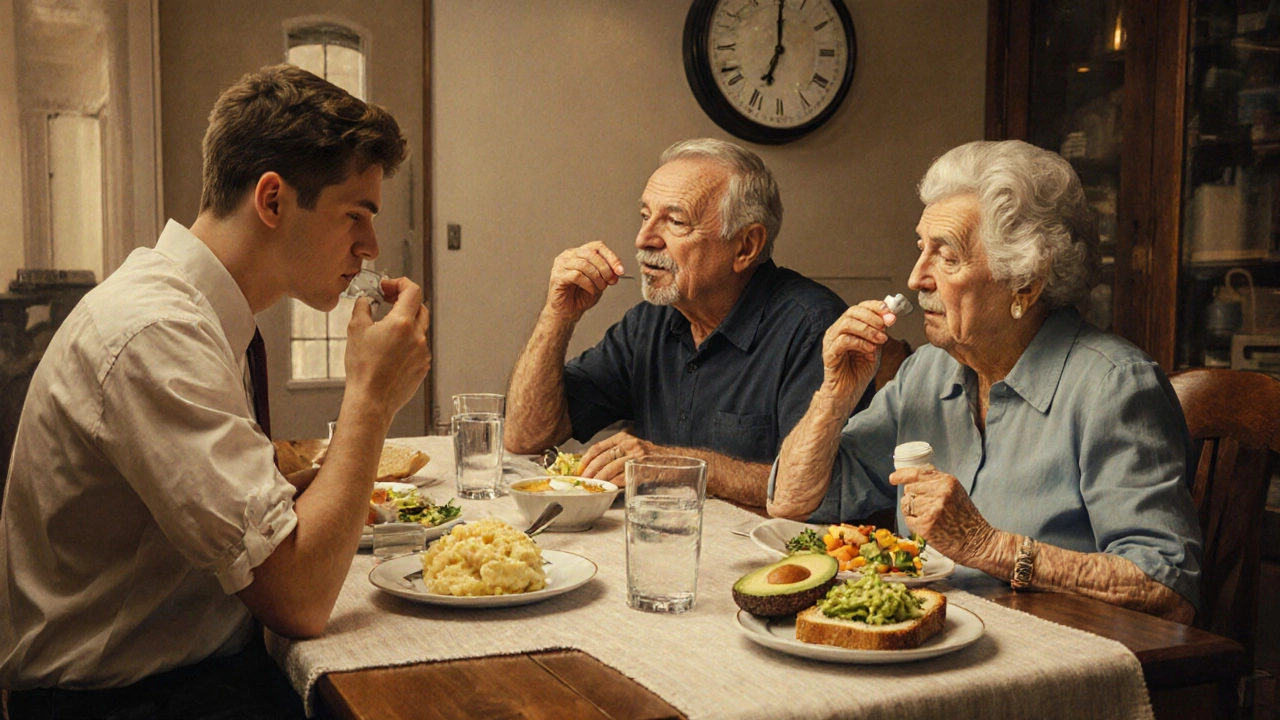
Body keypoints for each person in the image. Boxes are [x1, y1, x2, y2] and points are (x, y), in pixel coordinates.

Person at [0, 65, 431, 718]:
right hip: (128, 701)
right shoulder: (153, 331)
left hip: (192, 672)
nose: (370, 248)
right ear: (273, 200)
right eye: (356, 215)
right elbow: (299, 600)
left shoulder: (199, 314)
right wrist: (371, 400)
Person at [768, 140, 1201, 622]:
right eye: (921, 250)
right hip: (927, 639)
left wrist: (989, 546)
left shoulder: (1114, 386)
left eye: (946, 256)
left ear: (1025, 283)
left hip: (1054, 659)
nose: (915, 278)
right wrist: (834, 395)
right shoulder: (925, 373)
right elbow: (793, 504)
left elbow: (1167, 585)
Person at [505, 138, 870, 508]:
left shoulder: (812, 327)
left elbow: (822, 490)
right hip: (661, 541)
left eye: (675, 221)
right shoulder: (651, 320)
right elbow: (525, 437)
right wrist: (558, 315)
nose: (644, 239)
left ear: (746, 246)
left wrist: (674, 466)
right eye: (645, 216)